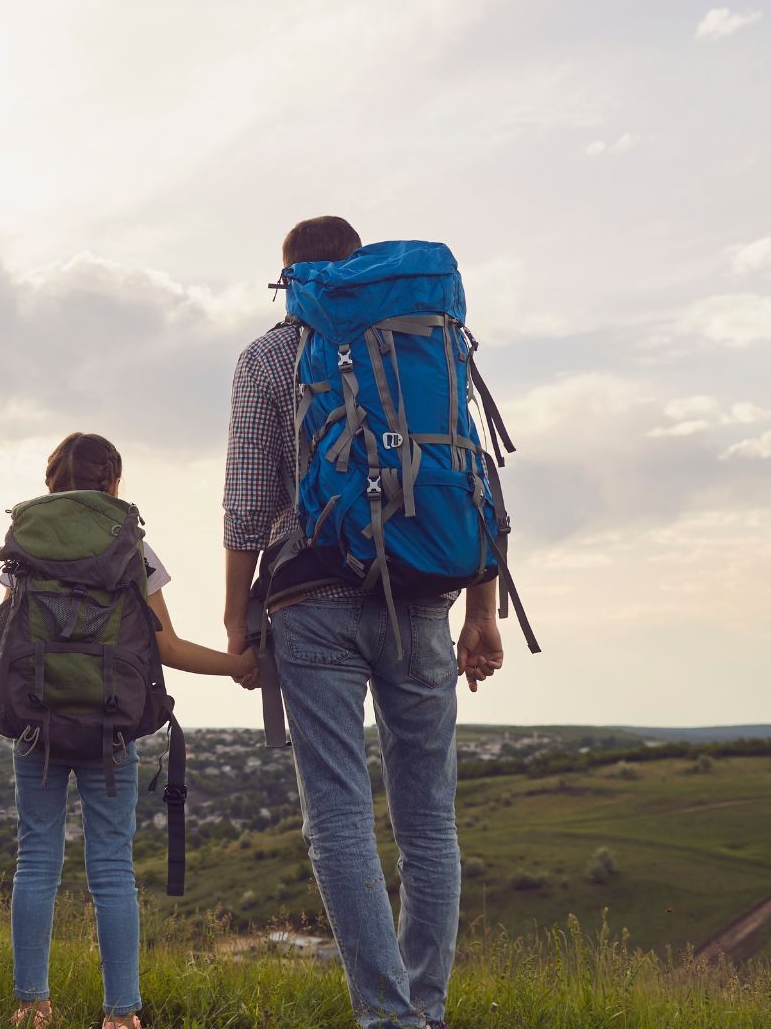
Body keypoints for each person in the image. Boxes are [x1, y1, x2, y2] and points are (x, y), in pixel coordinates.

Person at [222, 217, 505, 1029]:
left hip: (310, 600)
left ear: (289, 281)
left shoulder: (270, 355)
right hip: (422, 594)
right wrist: (481, 611)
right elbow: (467, 474)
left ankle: (387, 1019)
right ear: (363, 266)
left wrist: (237, 616)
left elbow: (248, 503)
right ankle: (428, 1010)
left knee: (340, 817)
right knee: (428, 819)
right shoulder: (423, 336)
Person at [0, 432, 252, 1029]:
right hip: (111, 733)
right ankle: (121, 1016)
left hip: (38, 726)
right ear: (114, 484)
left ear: (51, 485)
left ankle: (32, 1005)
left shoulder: (31, 549)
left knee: (37, 863)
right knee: (111, 869)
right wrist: (238, 665)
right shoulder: (135, 551)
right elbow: (167, 647)